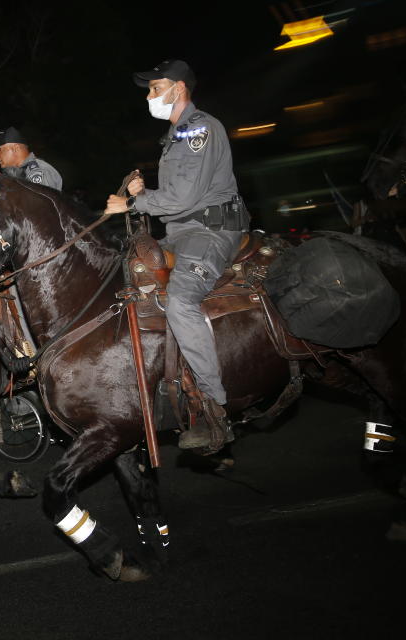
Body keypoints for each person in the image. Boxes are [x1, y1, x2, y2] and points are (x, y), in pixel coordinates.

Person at [105, 59, 250, 453]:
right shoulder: (175, 136)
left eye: (155, 88)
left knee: (182, 301)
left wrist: (135, 203)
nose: (150, 96)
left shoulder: (198, 127)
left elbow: (184, 198)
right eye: (149, 89)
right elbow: (179, 199)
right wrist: (141, 193)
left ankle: (213, 404)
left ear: (179, 88)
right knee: (128, 282)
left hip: (211, 232)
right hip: (181, 233)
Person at [0, 126, 63, 190]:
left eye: (0, 150)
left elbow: (43, 206)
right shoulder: (14, 173)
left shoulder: (38, 171)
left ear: (16, 148)